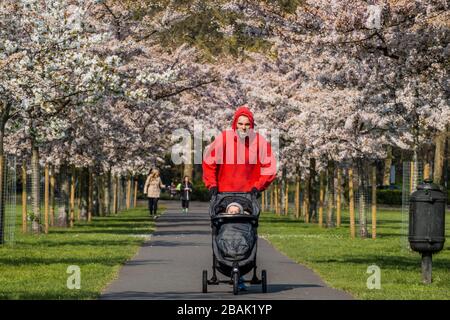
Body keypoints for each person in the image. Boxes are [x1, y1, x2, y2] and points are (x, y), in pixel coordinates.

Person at [202, 105, 277, 291]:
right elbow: (209, 162)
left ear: (252, 126)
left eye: (247, 124)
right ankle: (228, 266)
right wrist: (212, 185)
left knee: (246, 231)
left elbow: (270, 167)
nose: (243, 127)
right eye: (240, 124)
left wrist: (258, 186)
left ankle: (242, 271)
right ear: (235, 124)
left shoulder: (259, 142)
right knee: (223, 229)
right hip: (223, 194)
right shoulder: (224, 139)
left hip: (248, 194)